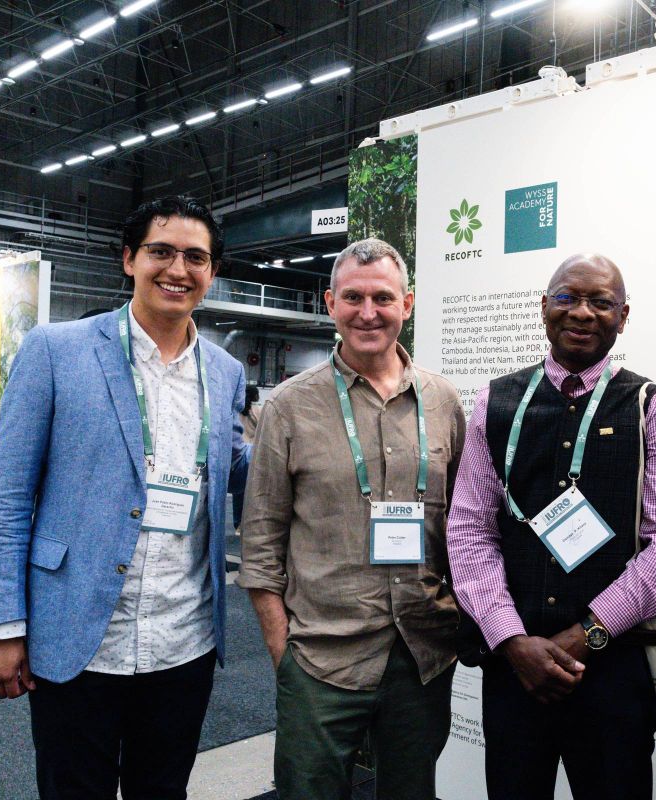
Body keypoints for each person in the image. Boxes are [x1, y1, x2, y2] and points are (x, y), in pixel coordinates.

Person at [0, 195, 252, 800]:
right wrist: (0, 626)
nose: (178, 269)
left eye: (195, 258)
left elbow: (235, 466)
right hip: (77, 631)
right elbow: (7, 498)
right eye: (161, 252)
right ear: (129, 260)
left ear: (212, 272)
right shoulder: (56, 350)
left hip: (185, 639)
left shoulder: (226, 371)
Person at [448, 253, 656, 800]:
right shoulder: (496, 401)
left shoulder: (650, 407)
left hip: (612, 675)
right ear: (544, 307)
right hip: (514, 673)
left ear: (623, 314)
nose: (582, 313)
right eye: (567, 297)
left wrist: (583, 637)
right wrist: (511, 639)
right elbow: (470, 530)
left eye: (600, 301)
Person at [238, 238, 465, 800]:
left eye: (383, 298)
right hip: (321, 655)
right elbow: (262, 538)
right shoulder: (288, 407)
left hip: (421, 653)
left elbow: (465, 529)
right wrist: (282, 651)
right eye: (354, 298)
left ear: (406, 305)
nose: (369, 313)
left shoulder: (444, 402)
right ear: (330, 302)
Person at [231, 385, 261, 531]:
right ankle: (251, 526)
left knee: (239, 494)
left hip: (237, 453)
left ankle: (238, 525)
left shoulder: (237, 410)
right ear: (255, 396)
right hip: (253, 455)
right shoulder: (258, 411)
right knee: (254, 494)